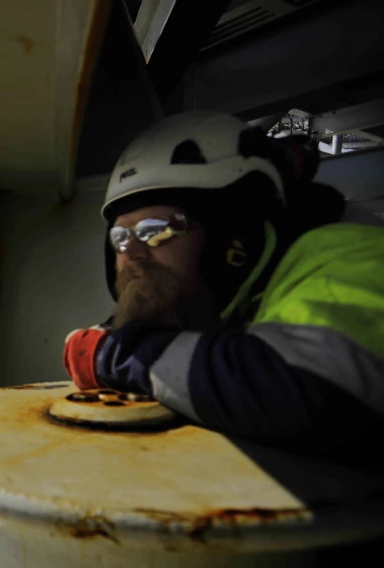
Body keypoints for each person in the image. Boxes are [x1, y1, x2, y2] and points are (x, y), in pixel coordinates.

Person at [63, 111, 384, 455]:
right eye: (120, 237)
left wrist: (116, 354)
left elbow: (314, 392)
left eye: (155, 230)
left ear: (231, 235)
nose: (134, 252)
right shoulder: (221, 298)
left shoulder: (355, 254)